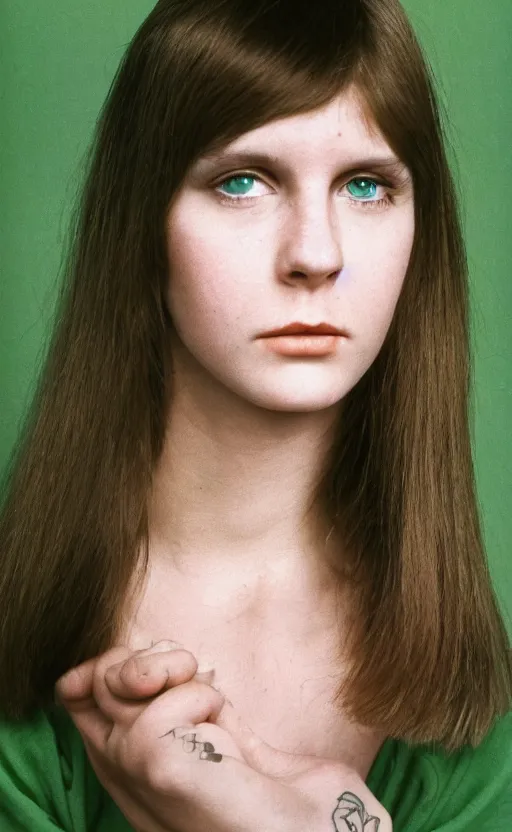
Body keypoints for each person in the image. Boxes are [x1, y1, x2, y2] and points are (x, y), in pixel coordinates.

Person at [0, 0, 511, 829]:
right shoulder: (24, 668)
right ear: (143, 223)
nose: (317, 254)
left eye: (367, 185)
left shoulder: (474, 694)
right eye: (243, 181)